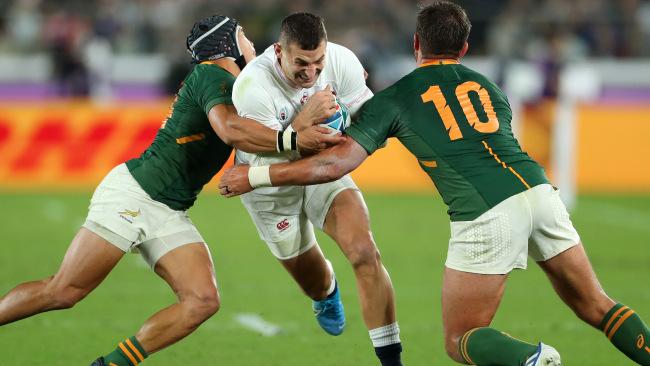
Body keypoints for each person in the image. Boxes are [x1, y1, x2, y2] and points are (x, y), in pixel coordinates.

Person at [219, 3, 650, 366]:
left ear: (416, 44)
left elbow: (333, 165)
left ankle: (534, 360)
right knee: (599, 306)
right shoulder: (488, 87)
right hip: (539, 192)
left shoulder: (399, 96)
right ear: (464, 47)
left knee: (460, 338)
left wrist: (254, 174)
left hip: (485, 211)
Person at [0, 15, 342, 366]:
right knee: (64, 291)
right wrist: (296, 137)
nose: (250, 45)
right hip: (137, 194)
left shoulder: (239, 83)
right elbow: (230, 130)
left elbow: (267, 119)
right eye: (243, 36)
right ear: (228, 43)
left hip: (169, 207)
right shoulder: (214, 74)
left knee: (202, 300)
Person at [229, 12, 403, 366]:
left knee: (364, 252)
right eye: (301, 64)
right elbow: (263, 166)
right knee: (314, 282)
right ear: (279, 51)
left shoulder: (342, 61)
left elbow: (369, 129)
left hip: (324, 170)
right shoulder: (252, 87)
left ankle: (391, 362)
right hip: (268, 185)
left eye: (318, 61)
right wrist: (303, 122)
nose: (311, 72)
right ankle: (326, 293)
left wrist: (354, 125)